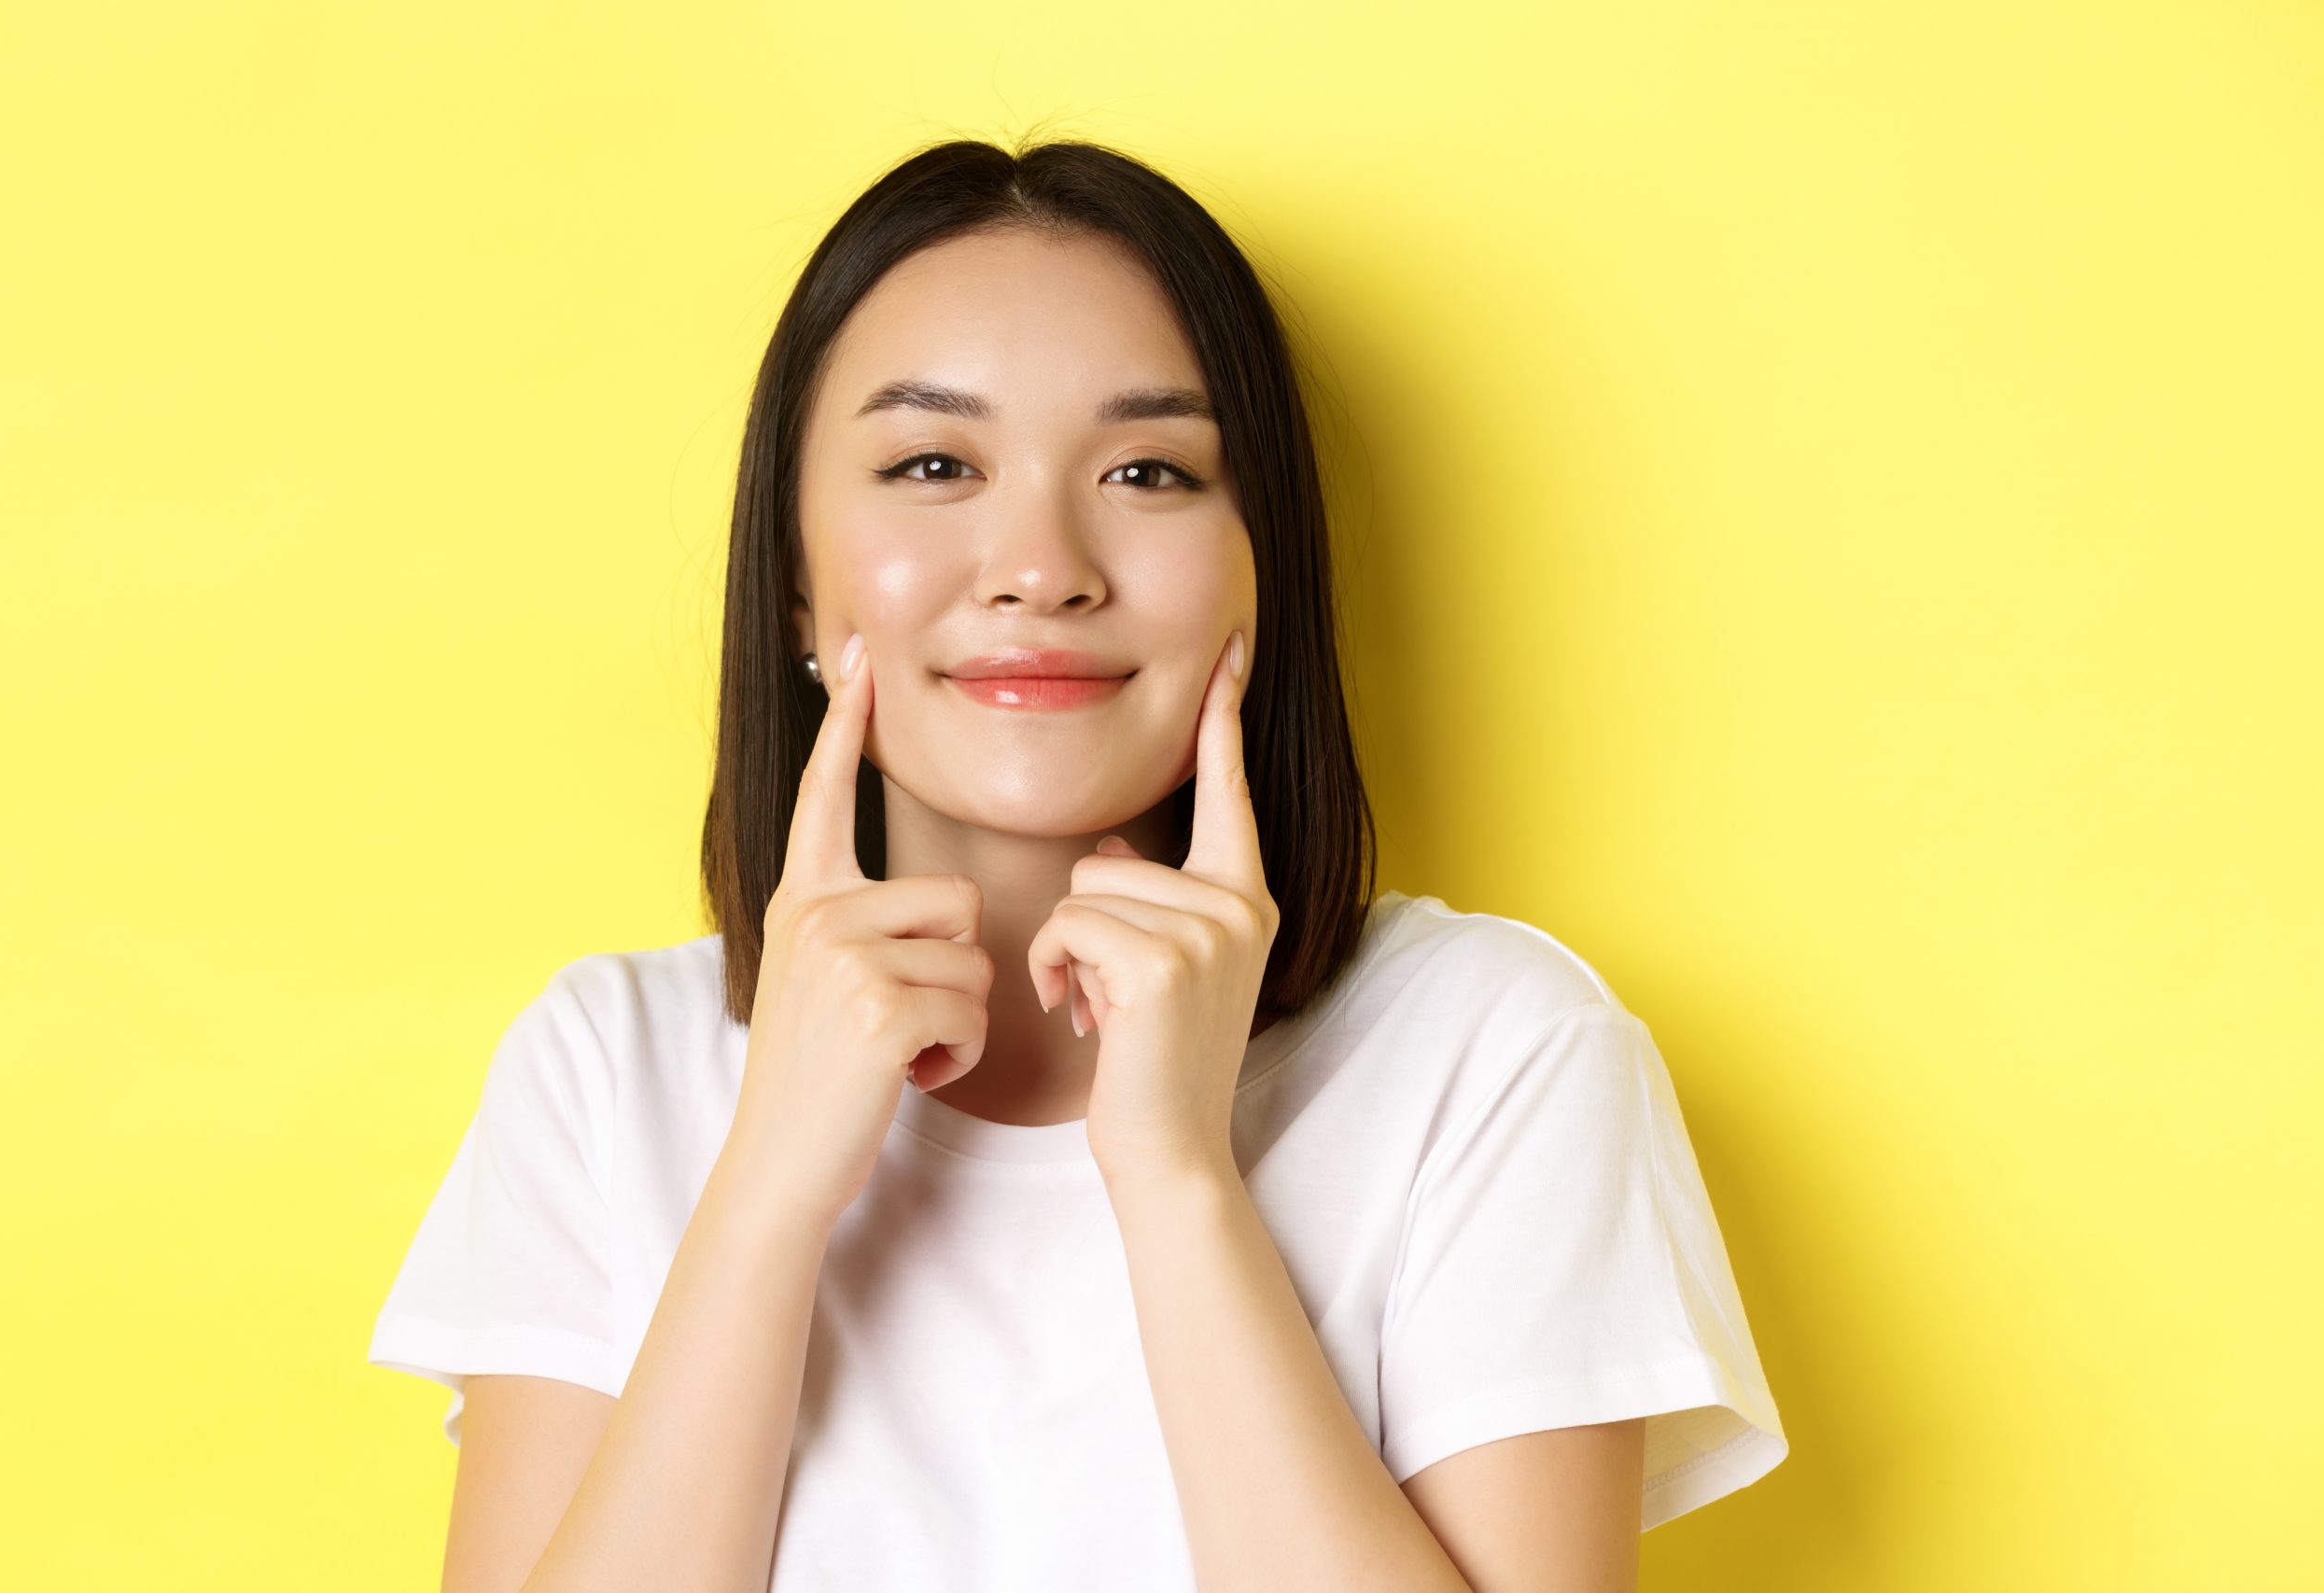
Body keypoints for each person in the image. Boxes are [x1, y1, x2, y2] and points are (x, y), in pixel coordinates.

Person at [368, 135, 1787, 1592]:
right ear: (797, 576)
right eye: (933, 463)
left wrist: (1175, 1179)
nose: (1041, 563)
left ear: (1259, 566)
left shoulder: (1493, 1052)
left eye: (1148, 470)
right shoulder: (605, 1070)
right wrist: (771, 1185)